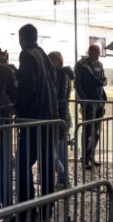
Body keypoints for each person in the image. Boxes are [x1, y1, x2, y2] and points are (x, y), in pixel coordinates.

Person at [15, 24, 58, 219]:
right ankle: (47, 207)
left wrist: (16, 105)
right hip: (48, 118)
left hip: (33, 119)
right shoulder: (44, 55)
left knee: (23, 164)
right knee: (47, 164)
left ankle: (27, 209)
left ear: (22, 39)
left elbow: (27, 87)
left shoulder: (27, 55)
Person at [74, 44, 107, 169]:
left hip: (99, 100)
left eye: (99, 53)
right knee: (88, 131)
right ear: (90, 52)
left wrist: (104, 81)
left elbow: (103, 80)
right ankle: (85, 157)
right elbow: (77, 84)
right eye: (96, 52)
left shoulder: (100, 65)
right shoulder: (81, 65)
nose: (98, 55)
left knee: (97, 132)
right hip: (89, 102)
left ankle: (91, 156)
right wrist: (84, 99)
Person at [49, 51, 74, 188]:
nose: (50, 63)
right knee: (59, 150)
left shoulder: (62, 74)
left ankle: (63, 176)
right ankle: (64, 179)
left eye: (52, 60)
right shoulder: (58, 74)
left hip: (61, 116)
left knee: (54, 150)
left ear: (58, 61)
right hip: (60, 116)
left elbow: (60, 95)